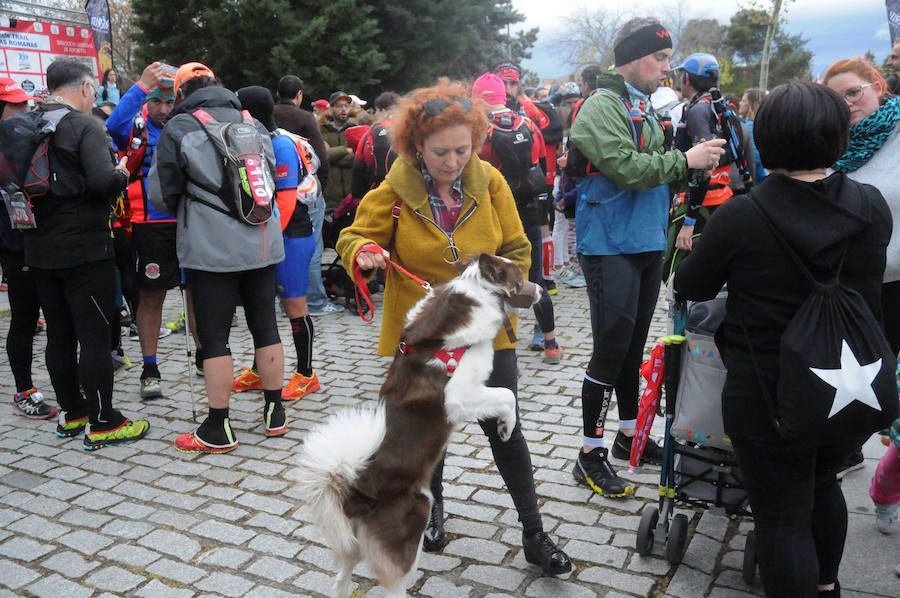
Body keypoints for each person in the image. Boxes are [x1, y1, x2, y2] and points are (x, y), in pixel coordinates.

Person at [336, 79, 571, 576]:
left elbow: (518, 249)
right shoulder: (396, 188)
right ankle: (434, 509)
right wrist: (365, 252)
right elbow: (352, 234)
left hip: (486, 335)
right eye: (440, 151)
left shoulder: (489, 182)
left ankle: (534, 532)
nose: (452, 161)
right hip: (427, 338)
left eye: (462, 150)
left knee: (506, 429)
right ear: (416, 145)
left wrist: (494, 293)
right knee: (428, 430)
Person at [674, 81, 891, 598]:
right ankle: (827, 586)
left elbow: (691, 286)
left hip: (766, 389)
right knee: (822, 485)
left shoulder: (741, 216)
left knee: (779, 515)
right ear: (838, 137)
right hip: (846, 381)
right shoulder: (871, 205)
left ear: (766, 138)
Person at [567, 17, 725, 497]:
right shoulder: (600, 106)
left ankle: (627, 438)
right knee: (610, 349)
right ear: (635, 58)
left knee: (632, 350)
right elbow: (629, 169)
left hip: (646, 241)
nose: (665, 68)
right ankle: (588, 453)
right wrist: (686, 161)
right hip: (609, 243)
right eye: (659, 58)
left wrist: (692, 170)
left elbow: (657, 173)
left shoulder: (643, 106)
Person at [149, 63, 286, 453]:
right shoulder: (253, 122)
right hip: (261, 239)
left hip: (210, 246)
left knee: (213, 337)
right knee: (266, 327)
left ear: (181, 93)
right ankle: (275, 413)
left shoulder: (180, 127)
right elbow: (270, 177)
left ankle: (218, 427)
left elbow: (162, 194)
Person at [24, 58, 149, 448]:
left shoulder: (24, 124)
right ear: (83, 88)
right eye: (94, 90)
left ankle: (71, 413)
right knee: (94, 335)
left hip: (38, 245)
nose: (93, 96)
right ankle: (103, 420)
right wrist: (122, 175)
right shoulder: (83, 126)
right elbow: (100, 181)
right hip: (85, 247)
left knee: (59, 334)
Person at [106, 62, 193, 399]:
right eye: (157, 102)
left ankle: (206, 354)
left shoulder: (185, 125)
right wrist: (141, 86)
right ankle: (150, 368)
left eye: (170, 102)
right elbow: (112, 125)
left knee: (196, 293)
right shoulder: (137, 124)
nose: (164, 109)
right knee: (151, 296)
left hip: (188, 223)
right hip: (148, 225)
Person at [233, 85, 321, 400]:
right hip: (272, 238)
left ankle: (306, 374)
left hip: (292, 237)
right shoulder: (255, 140)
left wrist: (267, 239)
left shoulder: (281, 144)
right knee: (262, 306)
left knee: (294, 306)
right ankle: (260, 370)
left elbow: (285, 200)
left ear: (248, 111)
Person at [471, 72, 563, 365]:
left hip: (496, 214)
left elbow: (477, 175)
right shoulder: (530, 124)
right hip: (530, 209)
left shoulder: (480, 131)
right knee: (535, 279)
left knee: (488, 279)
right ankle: (550, 343)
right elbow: (541, 165)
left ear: (479, 99)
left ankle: (495, 348)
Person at [824, 58, 900, 355]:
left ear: (878, 87)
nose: (847, 104)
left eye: (854, 92)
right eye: (837, 98)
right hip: (848, 287)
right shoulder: (827, 142)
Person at [0, 78, 55, 419]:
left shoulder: (34, 134)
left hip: (47, 239)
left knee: (59, 318)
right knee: (24, 319)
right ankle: (24, 390)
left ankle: (70, 379)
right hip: (14, 244)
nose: (23, 110)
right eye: (14, 105)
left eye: (25, 103)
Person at [663, 53, 737, 284]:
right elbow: (738, 153)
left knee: (674, 274)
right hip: (722, 199)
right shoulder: (723, 107)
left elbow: (702, 166)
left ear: (687, 78)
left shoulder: (697, 110)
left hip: (696, 205)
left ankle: (686, 320)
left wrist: (689, 221)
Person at [273, 75, 340, 316]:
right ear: (299, 95)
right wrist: (319, 190)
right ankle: (314, 302)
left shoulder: (269, 115)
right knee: (311, 247)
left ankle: (286, 301)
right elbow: (320, 155)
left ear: (277, 92)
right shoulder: (304, 117)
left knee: (282, 246)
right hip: (304, 193)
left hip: (276, 191)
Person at [350, 91, 400, 200]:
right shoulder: (412, 128)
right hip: (409, 197)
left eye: (376, 110)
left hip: (377, 196)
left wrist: (358, 195)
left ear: (381, 109)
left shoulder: (371, 133)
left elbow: (358, 170)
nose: (375, 115)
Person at [320, 90, 358, 211]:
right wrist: (346, 150)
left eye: (346, 106)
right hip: (329, 200)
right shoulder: (321, 130)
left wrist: (332, 154)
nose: (343, 109)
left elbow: (357, 158)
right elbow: (321, 157)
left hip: (353, 198)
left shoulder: (356, 129)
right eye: (339, 106)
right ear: (331, 108)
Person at [737, 88, 768, 184]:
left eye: (743, 101)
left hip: (756, 181)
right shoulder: (764, 124)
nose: (739, 103)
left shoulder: (751, 126)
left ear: (751, 105)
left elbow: (754, 159)